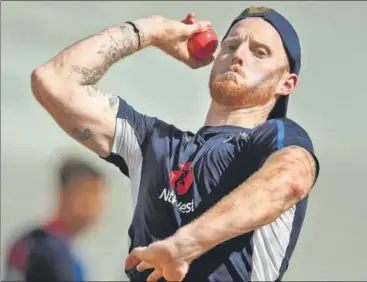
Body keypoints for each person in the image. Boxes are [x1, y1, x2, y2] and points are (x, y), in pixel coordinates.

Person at [31, 5, 320, 282]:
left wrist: (184, 246)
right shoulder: (154, 144)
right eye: (230, 46)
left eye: (259, 52)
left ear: (287, 83)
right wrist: (152, 31)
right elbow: (53, 81)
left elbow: (290, 180)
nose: (239, 55)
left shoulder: (277, 139)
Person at [4, 158, 106, 281]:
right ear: (66, 195)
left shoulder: (27, 241)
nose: (98, 207)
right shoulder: (54, 254)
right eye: (91, 196)